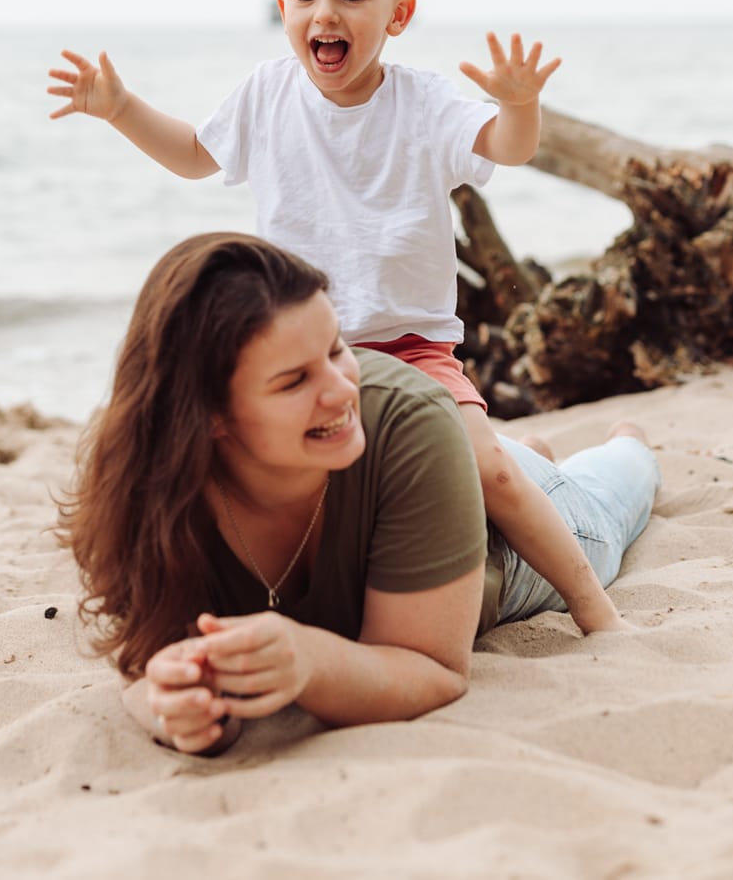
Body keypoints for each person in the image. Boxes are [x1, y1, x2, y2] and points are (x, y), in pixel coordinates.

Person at [46, 0, 620, 633]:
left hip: (409, 347)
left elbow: (506, 148)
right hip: (303, 350)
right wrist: (121, 107)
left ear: (397, 14)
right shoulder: (266, 94)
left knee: (492, 472)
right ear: (282, 6)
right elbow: (193, 156)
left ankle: (595, 610)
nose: (325, 13)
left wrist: (519, 105)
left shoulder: (423, 102)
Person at [57, 232, 660, 756]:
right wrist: (175, 706)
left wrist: (310, 659)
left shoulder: (408, 417)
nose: (342, 390)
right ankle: (525, 453)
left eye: (336, 349)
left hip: (501, 540)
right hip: (437, 469)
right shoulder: (145, 483)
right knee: (487, 459)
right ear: (207, 415)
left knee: (611, 505)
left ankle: (624, 443)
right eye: (294, 380)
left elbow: (435, 671)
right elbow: (142, 668)